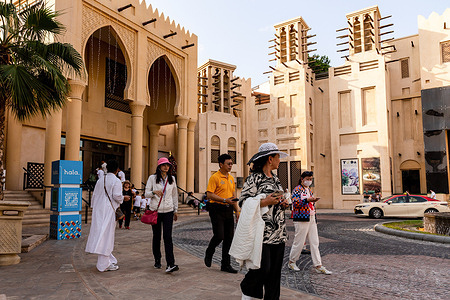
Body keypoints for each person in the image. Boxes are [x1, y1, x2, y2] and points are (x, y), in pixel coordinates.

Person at [230, 142, 289, 299]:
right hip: (262, 233)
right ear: (270, 159)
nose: (279, 160)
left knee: (275, 275)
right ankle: (247, 286)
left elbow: (277, 198)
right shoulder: (254, 178)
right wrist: (265, 202)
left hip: (279, 232)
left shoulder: (276, 179)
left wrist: (282, 202)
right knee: (263, 269)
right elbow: (244, 201)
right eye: (278, 157)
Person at [288, 171, 332, 275]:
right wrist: (307, 200)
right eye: (307, 179)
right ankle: (292, 261)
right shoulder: (297, 189)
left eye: (311, 179)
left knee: (314, 242)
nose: (309, 181)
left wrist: (311, 200)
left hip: (311, 217)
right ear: (302, 179)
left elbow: (310, 203)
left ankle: (318, 265)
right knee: (299, 241)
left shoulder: (309, 190)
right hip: (301, 217)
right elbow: (295, 202)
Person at [204, 153, 240, 274]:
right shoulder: (215, 177)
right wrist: (224, 200)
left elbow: (233, 196)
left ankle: (225, 264)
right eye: (228, 163)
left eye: (231, 163)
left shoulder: (230, 178)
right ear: (221, 164)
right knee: (219, 235)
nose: (231, 166)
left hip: (229, 209)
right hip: (216, 208)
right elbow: (209, 194)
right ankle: (210, 251)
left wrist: (237, 211)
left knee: (229, 238)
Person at [85, 159, 123, 272]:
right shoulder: (116, 181)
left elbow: (95, 195)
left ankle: (108, 259)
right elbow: (117, 196)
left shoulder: (100, 180)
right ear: (117, 170)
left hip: (98, 209)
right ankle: (103, 264)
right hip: (108, 210)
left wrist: (94, 207)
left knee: (101, 233)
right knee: (107, 236)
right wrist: (122, 199)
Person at [145, 157, 179, 273]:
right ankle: (157, 260)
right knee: (157, 236)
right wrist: (154, 192)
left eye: (168, 165)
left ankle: (171, 263)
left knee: (168, 237)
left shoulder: (172, 179)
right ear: (159, 166)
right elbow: (146, 194)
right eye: (164, 165)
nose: (166, 167)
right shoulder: (152, 178)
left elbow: (174, 195)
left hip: (168, 211)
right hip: (156, 211)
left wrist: (175, 210)